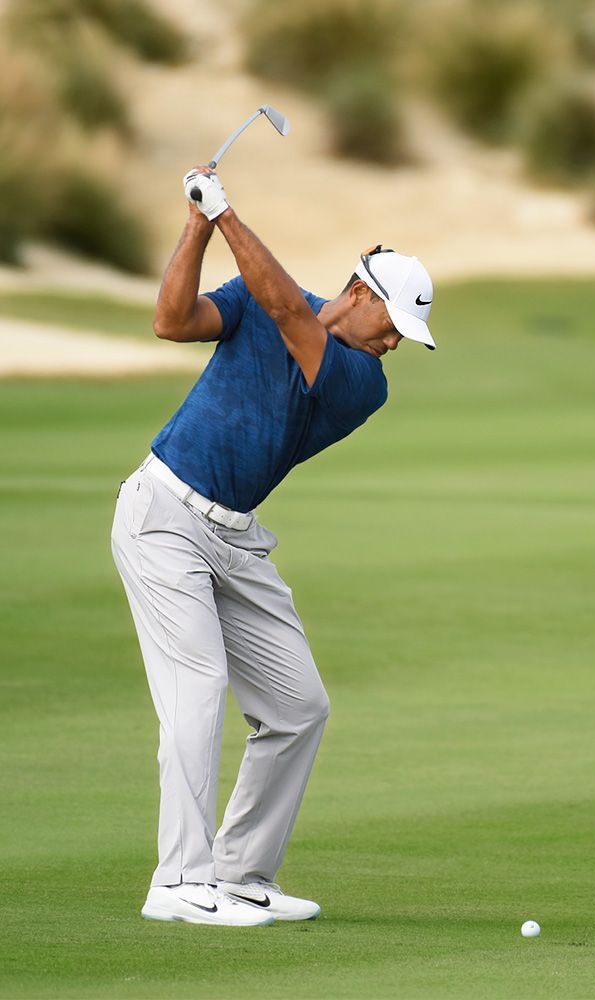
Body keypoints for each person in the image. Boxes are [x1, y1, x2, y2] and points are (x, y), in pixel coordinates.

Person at [110, 166, 436, 928]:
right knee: (196, 691)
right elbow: (172, 319)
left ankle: (241, 871)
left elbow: (290, 309)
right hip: (163, 516)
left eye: (403, 339)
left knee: (298, 705)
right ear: (358, 293)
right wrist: (197, 223)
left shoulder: (362, 381)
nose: (393, 343)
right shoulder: (258, 304)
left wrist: (227, 213)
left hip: (234, 542)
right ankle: (180, 882)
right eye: (392, 324)